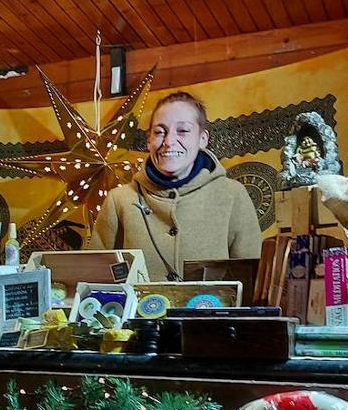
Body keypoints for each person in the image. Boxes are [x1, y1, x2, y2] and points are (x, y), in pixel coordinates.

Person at [88, 91, 262, 281]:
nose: (169, 142)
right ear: (149, 141)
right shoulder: (119, 200)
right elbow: (95, 275)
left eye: (183, 131)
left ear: (202, 139)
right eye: (159, 132)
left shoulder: (232, 195)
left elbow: (250, 280)